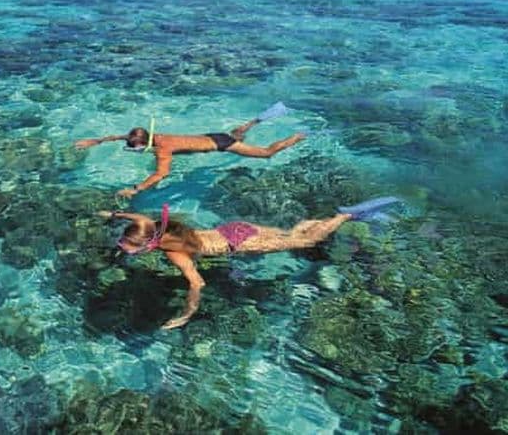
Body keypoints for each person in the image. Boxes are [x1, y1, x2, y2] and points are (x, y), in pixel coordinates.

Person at [98, 206, 352, 329]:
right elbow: (136, 218)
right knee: (287, 237)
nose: (126, 249)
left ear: (148, 243)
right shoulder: (153, 225)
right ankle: (306, 223)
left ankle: (344, 216)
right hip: (232, 228)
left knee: (308, 241)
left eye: (133, 247)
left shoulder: (175, 252)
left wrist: (186, 314)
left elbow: (198, 283)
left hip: (239, 242)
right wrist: (113, 214)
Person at [75, 118, 305, 198]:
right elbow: (120, 136)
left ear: (144, 143)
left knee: (266, 154)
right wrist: (95, 141)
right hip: (211, 136)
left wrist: (136, 188)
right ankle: (251, 123)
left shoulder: (163, 148)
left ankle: (298, 136)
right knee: (234, 135)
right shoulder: (147, 135)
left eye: (135, 147)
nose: (132, 147)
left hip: (220, 144)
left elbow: (161, 173)